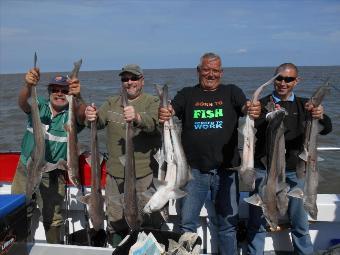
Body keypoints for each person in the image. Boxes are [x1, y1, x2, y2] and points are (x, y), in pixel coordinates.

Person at [158, 52, 261, 255]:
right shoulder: (187, 94)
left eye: (215, 70)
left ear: (221, 73)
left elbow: (246, 106)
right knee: (187, 224)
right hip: (193, 172)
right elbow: (171, 109)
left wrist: (253, 108)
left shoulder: (232, 92)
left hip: (226, 171)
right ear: (198, 71)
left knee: (227, 225)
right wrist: (164, 111)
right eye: (206, 70)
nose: (211, 74)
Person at [247, 63, 332, 255]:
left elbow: (327, 128)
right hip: (266, 171)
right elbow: (254, 126)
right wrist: (253, 113)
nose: (283, 83)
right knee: (258, 222)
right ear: (274, 79)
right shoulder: (261, 104)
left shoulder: (305, 105)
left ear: (296, 81)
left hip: (296, 172)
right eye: (279, 78)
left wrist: (320, 115)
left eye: (288, 79)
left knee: (300, 224)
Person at [84, 64, 163, 246]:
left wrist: (137, 118)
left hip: (145, 174)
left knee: (149, 217)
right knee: (115, 219)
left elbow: (154, 124)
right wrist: (90, 116)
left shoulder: (152, 102)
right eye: (125, 79)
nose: (129, 82)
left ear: (142, 81)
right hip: (116, 175)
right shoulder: (112, 103)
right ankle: (118, 248)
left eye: (133, 78)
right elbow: (98, 121)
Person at [11, 67, 86, 244]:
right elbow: (22, 102)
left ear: (69, 94)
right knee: (19, 211)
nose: (59, 94)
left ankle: (54, 247)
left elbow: (83, 116)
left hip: (54, 173)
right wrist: (28, 86)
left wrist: (79, 97)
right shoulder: (40, 105)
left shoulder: (72, 115)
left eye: (64, 91)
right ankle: (18, 247)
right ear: (49, 92)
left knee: (53, 218)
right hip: (26, 168)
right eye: (55, 90)